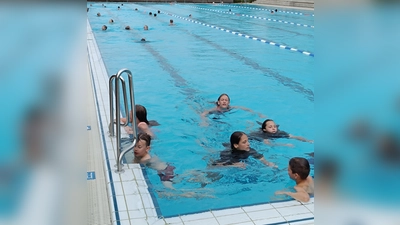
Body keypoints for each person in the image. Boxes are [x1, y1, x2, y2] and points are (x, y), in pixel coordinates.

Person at [212, 131, 277, 168]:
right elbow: (216, 165)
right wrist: (234, 165)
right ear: (236, 145)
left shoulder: (250, 150)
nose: (248, 144)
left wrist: (267, 163)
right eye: (244, 142)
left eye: (247, 141)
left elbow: (259, 157)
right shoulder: (227, 154)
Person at [248, 119, 313, 147]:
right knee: (250, 130)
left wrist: (308, 140)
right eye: (270, 127)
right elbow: (270, 145)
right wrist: (285, 145)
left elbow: (294, 137)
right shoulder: (262, 135)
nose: (273, 128)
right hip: (259, 134)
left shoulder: (280, 133)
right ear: (264, 129)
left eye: (275, 126)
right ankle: (251, 124)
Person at [201, 93, 266, 121]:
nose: (224, 101)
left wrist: (258, 114)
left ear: (228, 103)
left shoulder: (230, 108)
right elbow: (204, 113)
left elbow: (244, 108)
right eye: (222, 100)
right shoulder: (215, 109)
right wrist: (204, 121)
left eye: (226, 100)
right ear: (218, 102)